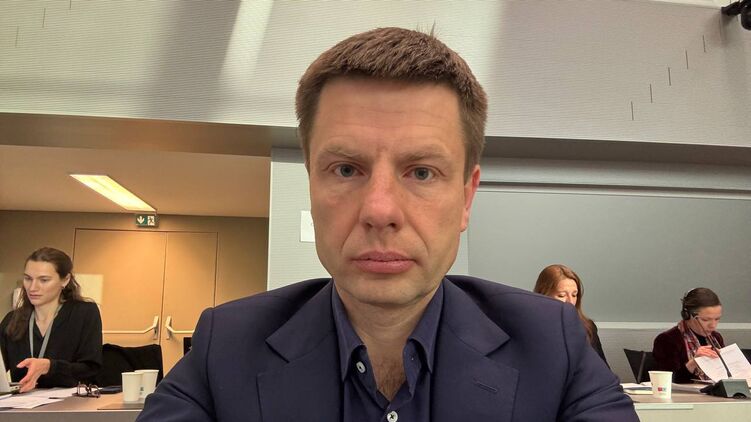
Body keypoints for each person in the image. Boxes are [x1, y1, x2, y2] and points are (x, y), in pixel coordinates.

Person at [138, 27, 637, 421]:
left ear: (466, 197)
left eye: (421, 172)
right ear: (311, 184)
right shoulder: (226, 347)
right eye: (346, 169)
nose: (379, 211)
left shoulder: (552, 343)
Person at [0, 247, 102, 393]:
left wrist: (50, 366)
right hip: (21, 403)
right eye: (28, 279)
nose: (32, 287)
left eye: (44, 280)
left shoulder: (84, 313)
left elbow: (91, 369)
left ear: (65, 280)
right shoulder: (12, 319)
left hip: (70, 402)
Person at [534, 264, 609, 366]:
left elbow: (603, 370)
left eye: (574, 295)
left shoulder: (587, 327)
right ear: (543, 294)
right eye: (562, 295)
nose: (570, 302)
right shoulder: (531, 328)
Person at [652, 287, 724, 383]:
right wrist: (693, 363)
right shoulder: (667, 339)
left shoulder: (716, 338)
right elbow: (667, 381)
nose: (713, 325)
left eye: (717, 319)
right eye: (705, 320)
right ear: (687, 315)